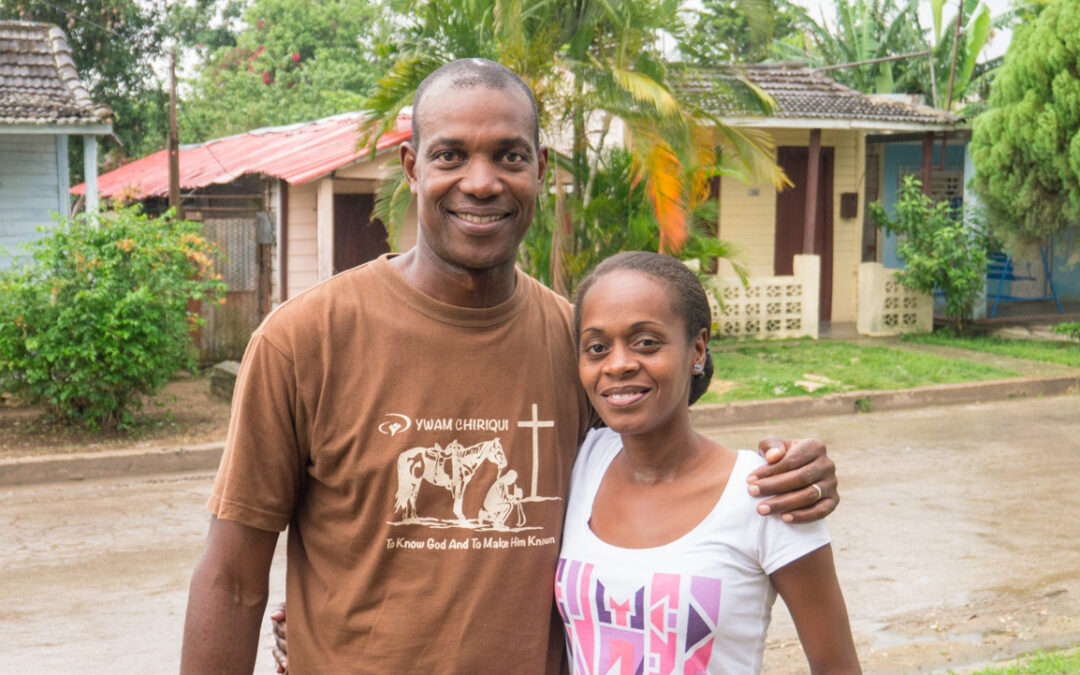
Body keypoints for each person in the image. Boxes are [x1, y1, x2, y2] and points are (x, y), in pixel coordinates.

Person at [182, 57, 839, 675]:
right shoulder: (304, 341)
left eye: (508, 156)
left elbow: (664, 466)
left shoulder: (575, 345)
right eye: (450, 155)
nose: (480, 181)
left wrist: (788, 474)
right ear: (412, 167)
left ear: (539, 168)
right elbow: (233, 578)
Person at [558, 251, 859, 673]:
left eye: (646, 342)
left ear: (697, 348)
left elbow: (838, 667)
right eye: (597, 347)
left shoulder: (767, 493)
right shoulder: (581, 464)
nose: (619, 363)